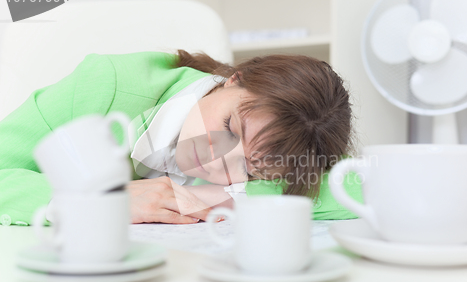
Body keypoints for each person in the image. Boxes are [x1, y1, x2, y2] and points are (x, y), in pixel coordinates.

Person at [0, 50, 362, 226]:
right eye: (231, 129)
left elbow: (361, 188)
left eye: (250, 169)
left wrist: (224, 196)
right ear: (233, 79)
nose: (218, 161)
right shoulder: (105, 86)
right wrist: (100, 203)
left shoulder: (264, 162)